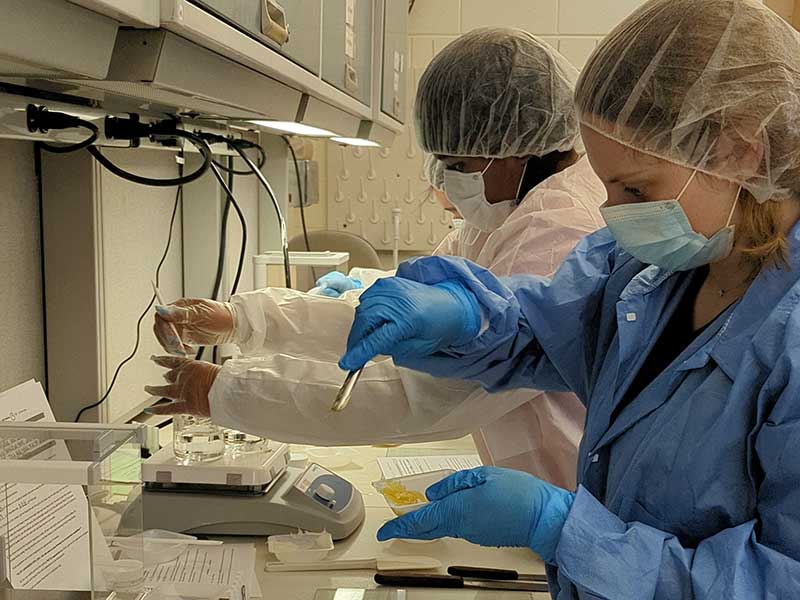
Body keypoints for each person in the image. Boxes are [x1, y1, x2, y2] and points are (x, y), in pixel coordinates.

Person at [337, 0, 800, 597]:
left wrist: (563, 531)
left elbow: (780, 582)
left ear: (742, 151)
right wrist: (463, 316)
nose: (615, 211)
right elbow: (546, 329)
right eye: (609, 185)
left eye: (637, 186)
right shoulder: (663, 264)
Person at [145, 29, 605, 490]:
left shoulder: (554, 233)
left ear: (514, 150)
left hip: (568, 498)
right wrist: (242, 318)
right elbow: (392, 320)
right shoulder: (507, 213)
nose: (445, 181)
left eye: (458, 165)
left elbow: (431, 395)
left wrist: (223, 390)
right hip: (543, 485)